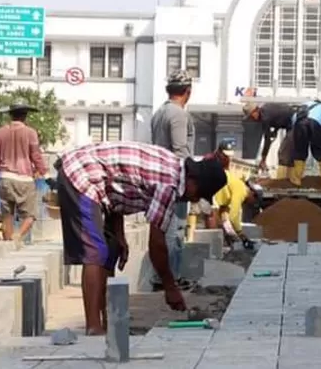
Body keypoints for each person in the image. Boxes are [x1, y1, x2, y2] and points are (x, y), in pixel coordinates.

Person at [53, 141, 227, 335]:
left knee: (111, 250)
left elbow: (116, 188)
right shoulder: (168, 184)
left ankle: (110, 325)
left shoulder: (173, 168)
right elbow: (156, 244)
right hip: (81, 173)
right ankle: (94, 327)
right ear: (193, 180)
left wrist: (120, 236)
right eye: (199, 194)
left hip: (98, 180)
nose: (194, 199)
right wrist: (170, 287)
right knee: (96, 252)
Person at [0, 101, 52, 245]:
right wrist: (47, 177)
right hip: (25, 180)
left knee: (7, 214)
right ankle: (18, 235)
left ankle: (8, 243)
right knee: (30, 215)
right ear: (25, 116)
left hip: (5, 179)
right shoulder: (30, 133)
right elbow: (36, 157)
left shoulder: (0, 132)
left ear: (10, 115)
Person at [151, 70, 196, 239]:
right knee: (175, 235)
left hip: (160, 180)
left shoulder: (159, 113)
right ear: (188, 91)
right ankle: (172, 266)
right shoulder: (178, 114)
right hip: (175, 184)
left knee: (163, 233)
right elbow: (180, 151)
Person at [242, 102, 297, 179]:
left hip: (295, 121)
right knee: (288, 151)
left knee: (283, 152)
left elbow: (267, 140)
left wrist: (263, 159)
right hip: (290, 121)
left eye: (251, 116)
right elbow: (278, 116)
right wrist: (275, 130)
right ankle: (289, 177)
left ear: (256, 111)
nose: (252, 119)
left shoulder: (265, 118)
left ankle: (283, 180)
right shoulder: (266, 109)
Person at [213, 173, 261, 250]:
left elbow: (224, 212)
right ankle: (214, 250)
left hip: (215, 182)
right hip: (212, 185)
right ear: (252, 194)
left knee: (220, 219)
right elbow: (233, 216)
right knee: (212, 218)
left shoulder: (238, 187)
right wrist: (242, 236)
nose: (250, 204)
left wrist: (229, 232)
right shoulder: (242, 192)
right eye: (253, 202)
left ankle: (217, 246)